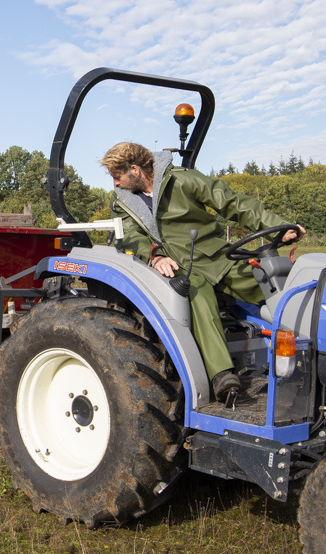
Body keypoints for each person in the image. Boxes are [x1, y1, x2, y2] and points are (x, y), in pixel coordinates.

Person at [101, 141, 305, 404]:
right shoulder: (121, 201)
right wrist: (155, 256)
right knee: (196, 293)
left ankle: (312, 351)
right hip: (177, 265)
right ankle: (222, 375)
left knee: (271, 285)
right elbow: (129, 236)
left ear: (135, 170)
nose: (116, 184)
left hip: (217, 255)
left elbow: (233, 203)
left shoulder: (183, 181)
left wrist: (278, 226)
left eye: (118, 177)